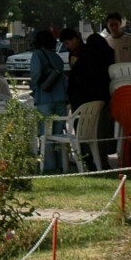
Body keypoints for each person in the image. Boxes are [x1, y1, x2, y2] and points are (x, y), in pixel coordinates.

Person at [59, 27, 114, 168]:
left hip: (82, 102)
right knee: (98, 131)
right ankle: (98, 160)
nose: (67, 46)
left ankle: (87, 160)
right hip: (100, 100)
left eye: (67, 42)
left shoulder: (86, 58)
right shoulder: (103, 57)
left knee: (84, 132)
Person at [29, 29, 69, 172]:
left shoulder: (37, 55)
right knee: (58, 134)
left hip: (44, 98)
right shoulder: (57, 57)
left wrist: (33, 87)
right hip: (60, 98)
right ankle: (60, 163)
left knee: (45, 134)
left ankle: (48, 165)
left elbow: (35, 74)